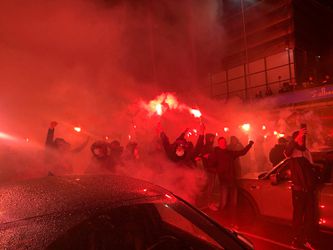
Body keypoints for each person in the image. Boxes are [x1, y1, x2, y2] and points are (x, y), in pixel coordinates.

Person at [285, 128, 319, 249]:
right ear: (295, 139)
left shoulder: (307, 152)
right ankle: (296, 239)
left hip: (309, 191)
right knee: (298, 216)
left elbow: (312, 170)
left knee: (310, 217)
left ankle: (307, 240)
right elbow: (287, 152)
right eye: (300, 137)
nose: (302, 140)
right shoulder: (292, 152)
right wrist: (296, 137)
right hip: (298, 191)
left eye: (303, 137)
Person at [208, 137, 254, 214]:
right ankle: (222, 218)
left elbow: (242, 152)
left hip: (232, 180)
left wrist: (250, 144)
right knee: (224, 202)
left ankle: (232, 219)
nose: (224, 143)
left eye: (225, 142)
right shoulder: (215, 154)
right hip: (224, 181)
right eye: (222, 142)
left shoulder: (230, 153)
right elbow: (209, 166)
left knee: (234, 203)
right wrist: (218, 170)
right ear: (219, 144)